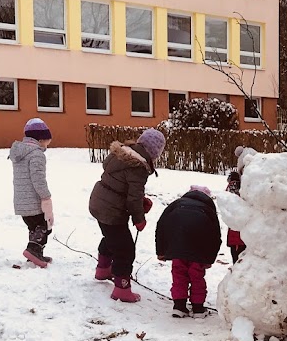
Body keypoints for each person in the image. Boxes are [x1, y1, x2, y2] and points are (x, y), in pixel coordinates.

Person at [88, 127, 165, 302]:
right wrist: (139, 218)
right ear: (154, 151)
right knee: (125, 249)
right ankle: (122, 288)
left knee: (111, 237)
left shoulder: (123, 154)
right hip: (111, 208)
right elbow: (133, 198)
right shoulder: (138, 166)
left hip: (99, 201)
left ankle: (103, 269)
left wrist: (139, 201)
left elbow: (124, 187)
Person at [155, 185, 222, 318]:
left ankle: (179, 306)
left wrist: (161, 251)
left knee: (179, 274)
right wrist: (210, 258)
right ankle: (198, 308)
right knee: (197, 276)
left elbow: (161, 226)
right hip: (199, 248)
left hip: (176, 246)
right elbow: (215, 236)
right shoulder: (208, 209)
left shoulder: (176, 205)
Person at [9, 117, 54, 268]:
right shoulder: (36, 154)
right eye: (48, 140)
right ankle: (33, 251)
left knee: (33, 228)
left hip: (21, 201)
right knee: (44, 226)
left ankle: (36, 254)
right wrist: (46, 196)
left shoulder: (20, 153)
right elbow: (38, 179)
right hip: (34, 201)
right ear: (41, 139)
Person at [225, 147, 247, 263]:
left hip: (251, 235)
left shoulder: (258, 185)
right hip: (237, 235)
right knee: (238, 262)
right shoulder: (236, 186)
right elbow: (229, 204)